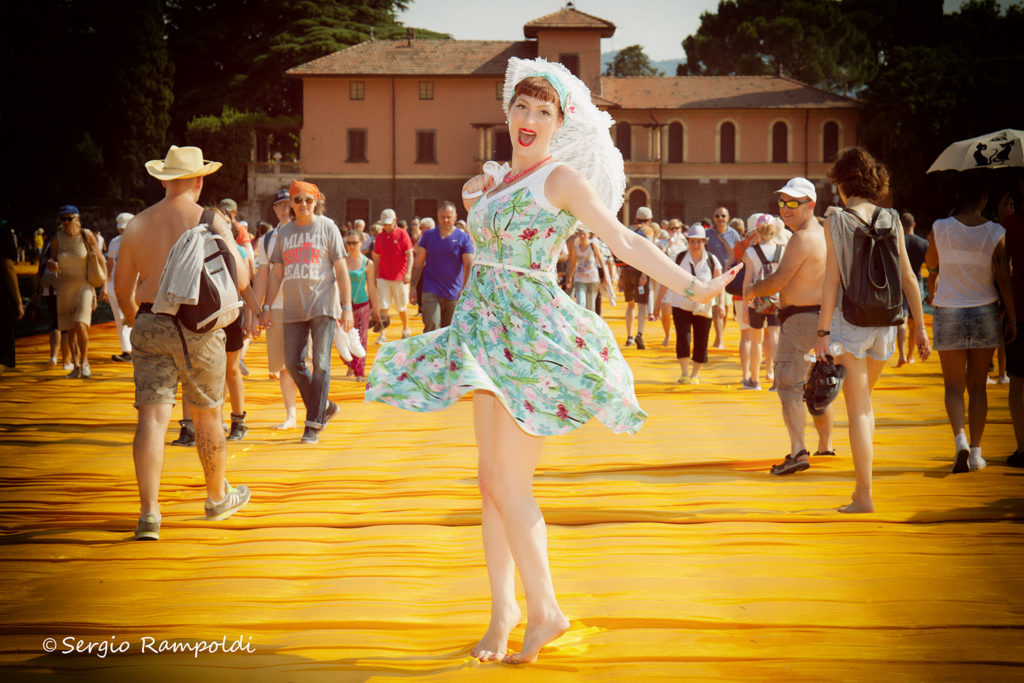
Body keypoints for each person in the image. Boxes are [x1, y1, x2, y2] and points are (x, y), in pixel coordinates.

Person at [366, 57, 738, 664]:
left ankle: (545, 611)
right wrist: (480, 194)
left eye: (545, 110)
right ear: (507, 113)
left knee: (509, 483)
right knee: (489, 484)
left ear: (560, 123)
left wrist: (689, 286)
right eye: (522, 106)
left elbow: (624, 240)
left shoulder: (560, 178)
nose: (530, 117)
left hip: (528, 335)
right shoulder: (495, 182)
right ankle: (503, 612)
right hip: (483, 331)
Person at [114, 145, 256, 541]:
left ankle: (149, 515)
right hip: (199, 328)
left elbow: (122, 288)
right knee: (208, 413)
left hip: (149, 322)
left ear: (163, 179)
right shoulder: (210, 220)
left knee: (152, 419)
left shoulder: (138, 225)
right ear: (199, 179)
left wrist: (136, 322)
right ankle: (216, 498)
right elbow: (242, 279)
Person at [815, 147, 931, 513]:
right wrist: (921, 329)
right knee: (866, 407)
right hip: (887, 323)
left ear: (843, 183)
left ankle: (864, 495)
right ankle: (860, 491)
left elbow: (831, 281)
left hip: (849, 323)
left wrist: (821, 334)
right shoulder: (892, 217)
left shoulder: (836, 220)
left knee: (859, 411)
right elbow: (909, 276)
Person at [925, 172, 1015, 473]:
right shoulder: (995, 231)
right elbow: (1003, 277)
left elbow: (932, 263)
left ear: (957, 197)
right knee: (978, 386)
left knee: (953, 385)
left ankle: (960, 441)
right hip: (985, 310)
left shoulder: (940, 227)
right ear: (985, 199)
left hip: (948, 309)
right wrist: (1012, 318)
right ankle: (976, 452)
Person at [745, 180, 835, 475]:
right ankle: (825, 444)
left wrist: (752, 289)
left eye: (794, 202)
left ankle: (798, 451)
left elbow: (778, 281)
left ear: (810, 204)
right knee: (820, 383)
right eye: (783, 202)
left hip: (800, 321)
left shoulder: (802, 238)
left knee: (789, 386)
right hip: (823, 319)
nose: (786, 208)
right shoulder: (824, 234)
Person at [259, 180, 355, 445]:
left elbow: (341, 269)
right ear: (290, 203)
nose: (303, 205)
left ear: (316, 201)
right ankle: (324, 407)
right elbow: (277, 272)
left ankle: (312, 425)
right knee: (292, 363)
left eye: (308, 200)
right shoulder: (284, 233)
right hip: (292, 309)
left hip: (323, 306)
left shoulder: (327, 227)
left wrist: (347, 307)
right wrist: (266, 307)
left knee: (322, 365)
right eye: (297, 200)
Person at [253, 188, 300, 429]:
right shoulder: (268, 239)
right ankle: (291, 415)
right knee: (283, 365)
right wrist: (257, 311)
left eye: (288, 205)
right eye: (280, 205)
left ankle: (316, 408)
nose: (284, 210)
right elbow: (262, 275)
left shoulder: (305, 233)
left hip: (303, 305)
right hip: (277, 306)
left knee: (304, 362)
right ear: (274, 209)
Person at [654, 223, 721, 384]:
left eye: (699, 241)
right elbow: (666, 281)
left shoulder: (712, 260)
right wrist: (657, 305)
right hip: (681, 305)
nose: (696, 245)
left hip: (703, 307)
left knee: (701, 340)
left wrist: (721, 305)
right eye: (692, 241)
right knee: (683, 338)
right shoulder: (679, 258)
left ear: (705, 241)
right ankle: (684, 372)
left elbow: (719, 283)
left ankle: (695, 374)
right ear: (688, 241)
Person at [49, 205, 105, 379]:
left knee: (80, 324)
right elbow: (53, 260)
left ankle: (86, 361)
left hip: (84, 286)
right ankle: (76, 365)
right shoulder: (57, 238)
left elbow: (100, 259)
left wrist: (104, 287)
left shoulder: (86, 235)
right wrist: (53, 266)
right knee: (69, 329)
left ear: (77, 218)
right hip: (64, 287)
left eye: (69, 218)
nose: (66, 222)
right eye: (63, 219)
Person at [410, 201, 475, 332]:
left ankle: (446, 353)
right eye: (442, 217)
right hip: (431, 290)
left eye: (448, 217)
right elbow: (418, 264)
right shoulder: (428, 236)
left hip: (454, 293)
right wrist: (412, 286)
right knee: (431, 325)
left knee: (449, 332)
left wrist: (464, 289)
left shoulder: (463, 238)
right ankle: (429, 352)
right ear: (438, 217)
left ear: (455, 217)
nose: (445, 220)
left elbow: (469, 265)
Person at [740, 213, 785, 390]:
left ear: (757, 230)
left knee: (756, 340)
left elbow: (747, 280)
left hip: (756, 301)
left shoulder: (751, 252)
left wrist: (745, 304)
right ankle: (775, 379)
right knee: (774, 338)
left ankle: (754, 379)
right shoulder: (782, 250)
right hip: (777, 299)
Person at [1004, 176, 1024, 467]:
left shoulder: (1010, 225)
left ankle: (1022, 449)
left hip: (1020, 311)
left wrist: (1010, 316)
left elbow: (1000, 273)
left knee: (1018, 383)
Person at [341, 230, 379, 380]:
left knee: (361, 337)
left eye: (354, 243)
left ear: (361, 243)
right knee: (344, 338)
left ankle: (359, 370)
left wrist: (376, 308)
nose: (351, 246)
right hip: (344, 305)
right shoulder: (342, 261)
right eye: (348, 243)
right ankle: (351, 363)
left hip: (362, 304)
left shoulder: (368, 263)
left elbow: (372, 288)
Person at [372, 208, 414, 342]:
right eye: (384, 223)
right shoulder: (379, 237)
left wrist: (408, 273)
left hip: (400, 278)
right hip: (383, 277)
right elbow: (377, 259)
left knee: (401, 306)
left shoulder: (403, 235)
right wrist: (374, 276)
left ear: (395, 220)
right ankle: (382, 334)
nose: (386, 226)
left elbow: (410, 255)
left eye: (389, 223)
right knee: (383, 306)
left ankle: (406, 329)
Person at [615, 206, 654, 349]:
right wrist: (645, 274)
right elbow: (649, 252)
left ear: (636, 218)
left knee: (630, 304)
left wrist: (620, 276)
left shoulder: (627, 230)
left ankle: (629, 336)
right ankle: (639, 334)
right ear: (649, 220)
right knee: (642, 305)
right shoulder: (648, 231)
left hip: (626, 271)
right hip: (640, 271)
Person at [896, 212, 929, 367]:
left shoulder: (897, 242)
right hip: (917, 281)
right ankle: (910, 356)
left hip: (899, 282)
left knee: (901, 322)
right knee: (914, 322)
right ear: (913, 225)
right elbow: (931, 266)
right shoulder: (922, 243)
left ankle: (901, 355)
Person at [706, 206, 741, 349]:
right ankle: (719, 338)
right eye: (717, 216)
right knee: (716, 307)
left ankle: (720, 334)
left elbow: (739, 253)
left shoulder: (734, 234)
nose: (720, 218)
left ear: (728, 218)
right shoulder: (708, 234)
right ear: (713, 218)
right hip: (713, 275)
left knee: (725, 308)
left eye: (723, 216)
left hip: (728, 275)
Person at [106, 212, 135, 362]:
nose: (122, 231)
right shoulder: (114, 242)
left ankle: (138, 348)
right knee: (120, 318)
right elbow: (110, 265)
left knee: (136, 317)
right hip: (115, 286)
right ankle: (127, 350)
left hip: (135, 286)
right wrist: (105, 286)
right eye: (121, 229)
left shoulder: (141, 241)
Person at [1, 219, 23, 375]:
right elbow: (7, 266)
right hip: (1, 294)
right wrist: (18, 302)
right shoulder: (2, 227)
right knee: (3, 353)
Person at [565, 228, 603, 312]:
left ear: (588, 235)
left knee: (591, 306)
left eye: (584, 234)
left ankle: (590, 324)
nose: (582, 236)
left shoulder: (593, 246)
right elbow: (574, 264)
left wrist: (607, 276)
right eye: (580, 234)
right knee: (580, 303)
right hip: (579, 278)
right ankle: (581, 324)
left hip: (592, 278)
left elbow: (601, 260)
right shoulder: (576, 248)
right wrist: (570, 278)